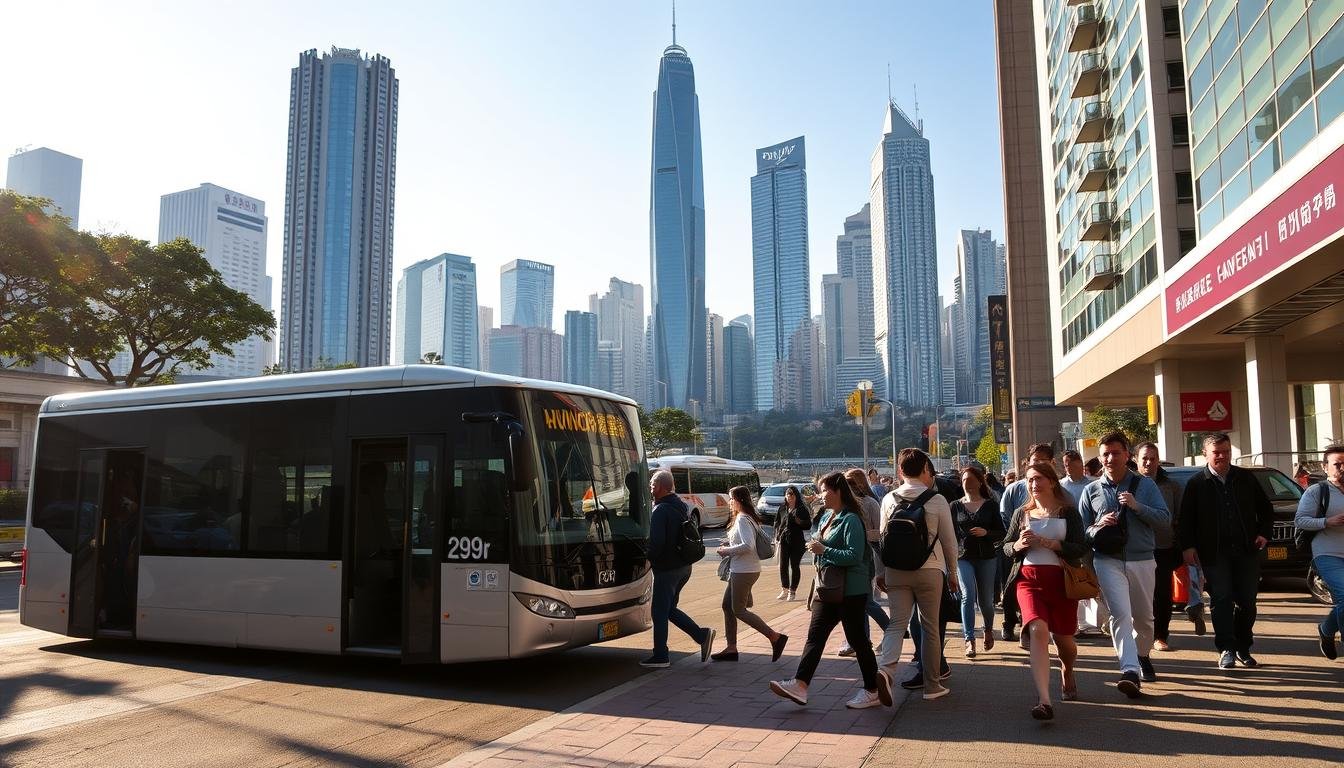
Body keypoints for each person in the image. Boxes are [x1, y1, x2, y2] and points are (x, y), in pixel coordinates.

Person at [769, 471, 883, 709]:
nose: (820, 495)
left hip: (851, 589)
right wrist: (817, 546)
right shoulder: (826, 516)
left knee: (858, 640)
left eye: (824, 490)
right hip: (828, 588)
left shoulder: (851, 519)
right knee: (815, 636)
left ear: (838, 491)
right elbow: (818, 538)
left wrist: (824, 550)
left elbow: (853, 555)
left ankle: (872, 689)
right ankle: (800, 685)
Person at [1078, 432, 1170, 697]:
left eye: (1115, 453)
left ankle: (1142, 655)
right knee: (1120, 615)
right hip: (1107, 560)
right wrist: (1098, 526)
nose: (1109, 458)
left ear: (1126, 455)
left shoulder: (1145, 485)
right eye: (1105, 454)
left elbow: (1164, 519)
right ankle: (1129, 670)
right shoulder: (1091, 490)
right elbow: (1082, 532)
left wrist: (1137, 506)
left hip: (1142, 558)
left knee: (1144, 618)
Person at [1179, 433, 1273, 670]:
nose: (1222, 456)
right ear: (1205, 454)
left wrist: (1264, 532)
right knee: (1221, 600)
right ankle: (1226, 649)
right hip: (1214, 553)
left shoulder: (1245, 478)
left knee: (1247, 602)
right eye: (1216, 452)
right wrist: (1188, 546)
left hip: (1245, 551)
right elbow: (1186, 520)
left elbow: (1266, 508)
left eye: (1226, 451)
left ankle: (1243, 647)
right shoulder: (1196, 483)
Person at [1003, 462, 1088, 721]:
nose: (1033, 484)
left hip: (1062, 581)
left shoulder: (1068, 512)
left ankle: (1068, 669)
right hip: (1028, 580)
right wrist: (1017, 545)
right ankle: (1044, 700)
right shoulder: (1022, 513)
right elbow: (1006, 547)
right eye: (1029, 480)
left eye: (1038, 478)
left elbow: (1080, 547)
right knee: (1038, 630)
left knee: (1065, 641)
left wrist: (1056, 544)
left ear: (1052, 481)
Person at [874, 449, 960, 704]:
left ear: (899, 471)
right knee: (930, 627)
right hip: (930, 571)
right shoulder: (937, 500)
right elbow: (949, 542)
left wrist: (881, 573)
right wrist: (953, 573)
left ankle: (886, 670)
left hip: (896, 571)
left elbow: (882, 538)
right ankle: (932, 685)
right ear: (925, 470)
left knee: (896, 624)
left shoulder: (889, 499)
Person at [642, 469, 715, 668]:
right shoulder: (680, 505)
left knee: (658, 612)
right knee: (669, 609)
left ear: (660, 487)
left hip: (667, 569)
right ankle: (701, 635)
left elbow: (657, 544)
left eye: (652, 485)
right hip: (684, 567)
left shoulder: (660, 510)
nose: (650, 488)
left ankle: (661, 656)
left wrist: (646, 559)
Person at [711, 485, 788, 662]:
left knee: (738, 610)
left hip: (744, 570)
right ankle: (731, 648)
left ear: (739, 500)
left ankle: (775, 637)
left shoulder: (743, 519)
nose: (730, 502)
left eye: (732, 498)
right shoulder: (746, 518)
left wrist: (727, 550)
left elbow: (748, 545)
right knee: (727, 606)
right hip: (743, 569)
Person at [998, 443, 1056, 643]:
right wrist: (1017, 540)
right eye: (1035, 461)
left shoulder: (1058, 489)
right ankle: (1008, 623)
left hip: (1048, 555)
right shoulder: (1015, 489)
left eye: (1043, 461)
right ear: (1027, 463)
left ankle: (1030, 623)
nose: (1039, 464)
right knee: (1010, 587)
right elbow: (1006, 516)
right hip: (1018, 549)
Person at [1295, 444, 1344, 661]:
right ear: (1326, 467)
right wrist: (1327, 521)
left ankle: (1326, 630)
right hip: (1327, 552)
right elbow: (1300, 520)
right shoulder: (1318, 491)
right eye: (1337, 464)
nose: (1342, 468)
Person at [1135, 442, 1185, 652]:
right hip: (1135, 549)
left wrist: (1181, 546)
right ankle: (1137, 634)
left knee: (1162, 595)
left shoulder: (1171, 486)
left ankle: (1160, 635)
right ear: (1136, 460)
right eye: (1144, 458)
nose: (1148, 462)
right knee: (1138, 595)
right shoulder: (1129, 483)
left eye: (1152, 458)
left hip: (1163, 547)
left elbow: (1180, 518)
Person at [836, 468, 890, 657]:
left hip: (867, 557)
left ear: (858, 484)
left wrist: (858, 535)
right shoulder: (844, 506)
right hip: (850, 558)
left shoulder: (870, 503)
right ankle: (861, 641)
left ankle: (890, 631)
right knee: (858, 602)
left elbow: (881, 533)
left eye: (849, 483)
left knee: (865, 602)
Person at [953, 465, 1005, 658]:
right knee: (967, 595)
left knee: (986, 600)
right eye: (964, 480)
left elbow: (1002, 532)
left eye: (971, 480)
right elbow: (950, 533)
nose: (967, 484)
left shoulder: (990, 505)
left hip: (986, 557)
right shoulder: (955, 506)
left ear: (979, 482)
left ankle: (988, 629)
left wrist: (986, 533)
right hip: (963, 557)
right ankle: (969, 639)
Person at [774, 485, 813, 601]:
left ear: (796, 495)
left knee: (795, 565)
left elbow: (808, 525)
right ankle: (784, 589)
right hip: (784, 540)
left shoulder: (801, 509)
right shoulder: (782, 508)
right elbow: (777, 522)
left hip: (797, 541)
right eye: (787, 494)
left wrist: (799, 521)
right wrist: (776, 534)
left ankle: (793, 591)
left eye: (792, 494)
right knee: (783, 565)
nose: (789, 496)